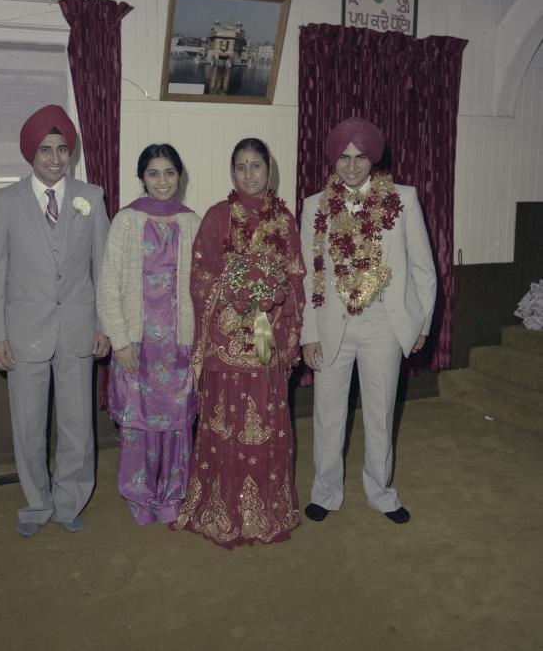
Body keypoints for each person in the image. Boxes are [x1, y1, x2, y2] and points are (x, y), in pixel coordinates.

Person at [300, 117, 436, 525]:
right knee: (328, 414)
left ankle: (381, 492)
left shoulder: (404, 199)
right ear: (333, 160)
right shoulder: (314, 206)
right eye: (344, 157)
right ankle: (326, 491)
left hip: (384, 325)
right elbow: (308, 275)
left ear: (373, 159)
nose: (352, 166)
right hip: (331, 325)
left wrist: (422, 325)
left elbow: (423, 270)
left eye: (360, 157)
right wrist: (308, 334)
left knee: (380, 412)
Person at [0, 105, 110, 538]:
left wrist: (104, 325)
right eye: (45, 150)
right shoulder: (4, 202)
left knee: (77, 427)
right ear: (30, 154)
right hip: (23, 333)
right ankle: (37, 504)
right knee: (29, 426)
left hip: (78, 330)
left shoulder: (90, 198)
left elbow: (104, 270)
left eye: (62, 149)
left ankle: (70, 501)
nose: (55, 159)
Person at [172, 138, 306, 548]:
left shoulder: (284, 220)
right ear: (233, 173)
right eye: (242, 167)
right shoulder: (217, 217)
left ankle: (267, 508)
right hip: (226, 335)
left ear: (270, 170)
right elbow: (199, 278)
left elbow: (296, 278)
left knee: (265, 419)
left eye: (257, 166)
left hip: (266, 331)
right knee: (224, 423)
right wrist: (235, 294)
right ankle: (219, 506)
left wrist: (272, 299)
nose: (250, 174)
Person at [97, 144, 200, 525]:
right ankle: (139, 498)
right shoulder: (126, 220)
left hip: (179, 342)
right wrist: (119, 340)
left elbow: (202, 287)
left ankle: (173, 493)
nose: (162, 181)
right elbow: (108, 285)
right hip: (136, 344)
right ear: (142, 177)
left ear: (179, 176)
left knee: (176, 423)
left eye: (170, 172)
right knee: (138, 423)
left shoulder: (192, 222)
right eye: (154, 173)